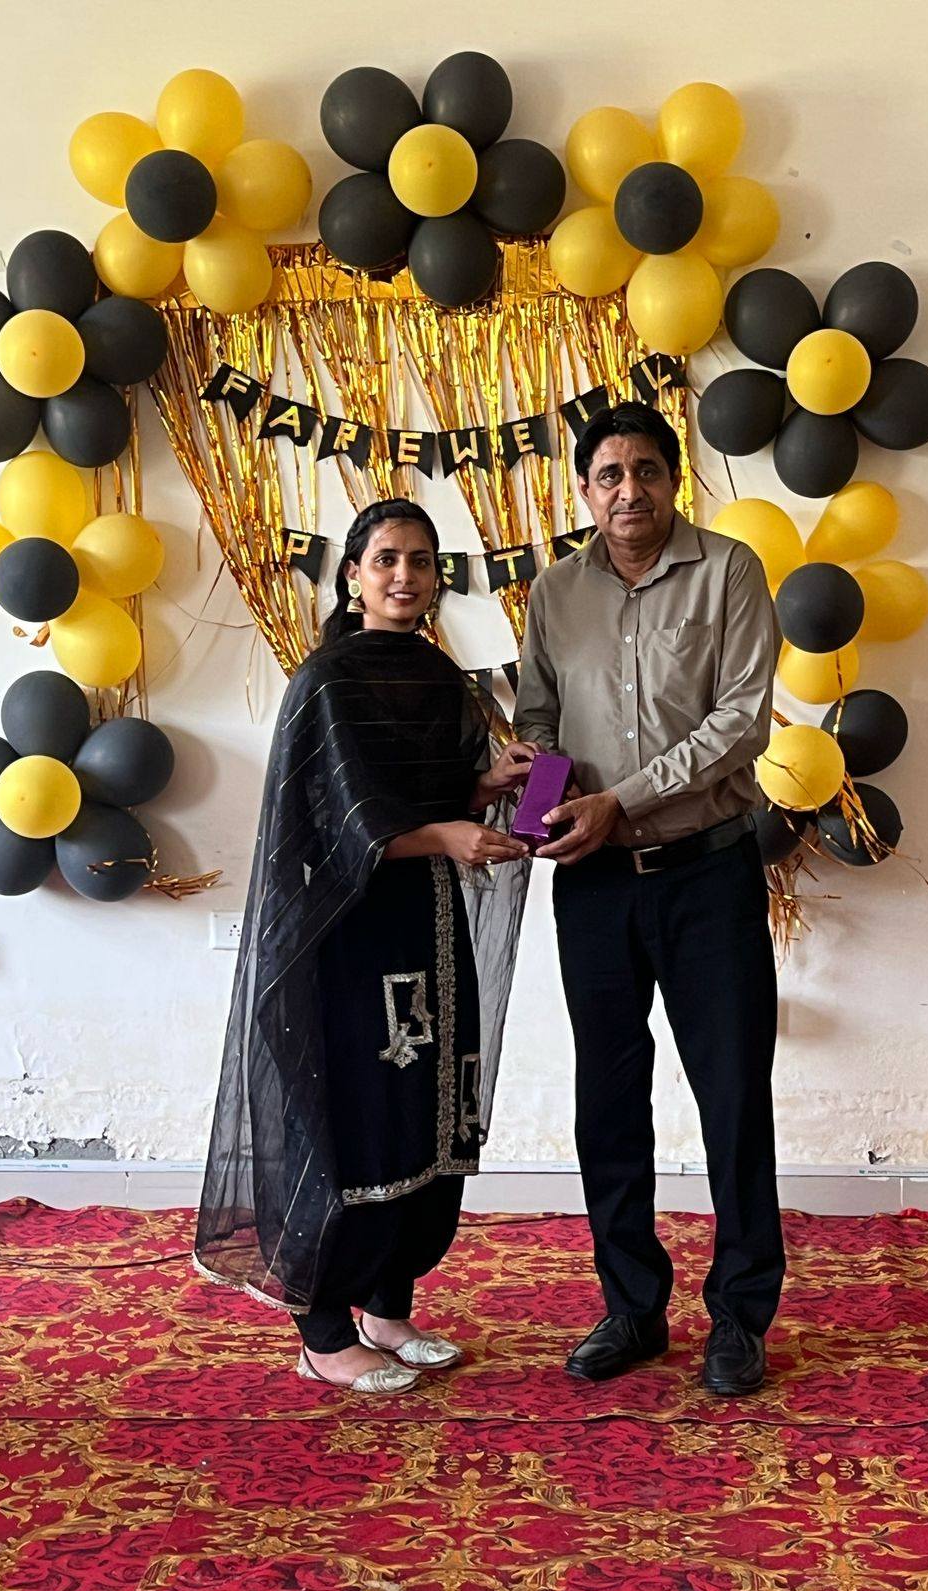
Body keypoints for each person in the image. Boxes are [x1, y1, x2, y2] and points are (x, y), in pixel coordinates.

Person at [195, 499, 533, 1396]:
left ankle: (387, 1305)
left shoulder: (438, 674)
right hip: (349, 933)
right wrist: (447, 835)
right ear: (352, 574)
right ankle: (322, 1330)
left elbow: (426, 791)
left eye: (421, 560)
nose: (404, 576)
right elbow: (338, 821)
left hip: (428, 923)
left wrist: (484, 785)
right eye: (386, 559)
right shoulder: (329, 680)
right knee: (355, 1119)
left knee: (423, 1111)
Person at [515, 402, 783, 1397]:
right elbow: (538, 722)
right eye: (609, 475)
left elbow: (740, 723)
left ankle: (740, 1316)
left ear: (675, 480)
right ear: (586, 490)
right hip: (592, 886)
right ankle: (631, 1307)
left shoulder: (729, 573)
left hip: (707, 875)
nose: (629, 490)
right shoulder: (555, 591)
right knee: (609, 1100)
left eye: (646, 471)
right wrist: (542, 819)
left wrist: (617, 800)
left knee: (733, 1096)